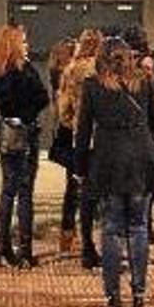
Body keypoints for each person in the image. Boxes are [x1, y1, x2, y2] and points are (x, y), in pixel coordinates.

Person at [74, 37, 154, 307]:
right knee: (139, 228)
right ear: (129, 58)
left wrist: (80, 168)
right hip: (142, 160)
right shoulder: (143, 82)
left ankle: (112, 298)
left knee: (111, 229)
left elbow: (82, 132)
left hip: (107, 162)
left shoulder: (93, 86)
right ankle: (139, 297)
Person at [0, 24, 49, 269]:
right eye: (23, 41)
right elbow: (43, 97)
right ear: (15, 44)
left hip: (7, 136)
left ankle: (3, 245)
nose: (27, 45)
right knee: (24, 193)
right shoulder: (25, 71)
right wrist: (28, 116)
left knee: (8, 191)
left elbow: (3, 104)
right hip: (25, 135)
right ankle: (24, 248)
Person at [57, 29, 102, 267]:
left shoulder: (70, 70)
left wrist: (73, 122)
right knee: (103, 191)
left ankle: (71, 235)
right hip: (104, 136)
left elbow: (63, 109)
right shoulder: (102, 71)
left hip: (79, 135)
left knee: (75, 187)